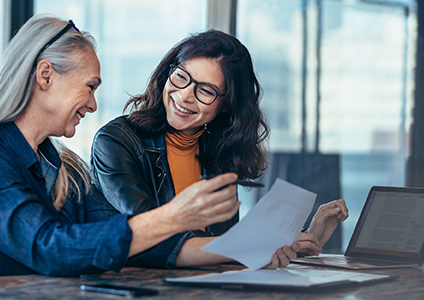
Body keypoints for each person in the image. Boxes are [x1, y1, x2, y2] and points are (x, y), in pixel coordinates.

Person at [0, 16, 308, 281]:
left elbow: (136, 245)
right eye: (90, 86)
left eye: (206, 90)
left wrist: (260, 245)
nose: (93, 104)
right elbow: (48, 249)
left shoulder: (62, 166)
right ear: (45, 76)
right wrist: (173, 216)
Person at [90, 30, 349, 252]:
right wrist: (254, 246)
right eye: (181, 76)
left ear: (227, 105)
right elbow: (149, 236)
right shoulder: (116, 141)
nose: (184, 96)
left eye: (205, 90)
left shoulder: (219, 152)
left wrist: (302, 238)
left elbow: (225, 244)